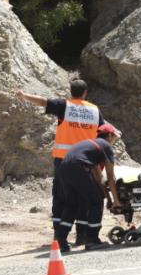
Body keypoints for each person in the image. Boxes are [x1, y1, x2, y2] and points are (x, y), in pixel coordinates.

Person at [17, 80, 105, 246]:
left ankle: (59, 236)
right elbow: (103, 131)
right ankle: (82, 236)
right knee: (84, 198)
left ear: (70, 91)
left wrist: (24, 96)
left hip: (63, 160)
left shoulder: (65, 106)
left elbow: (43, 101)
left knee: (61, 197)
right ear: (85, 92)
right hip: (87, 160)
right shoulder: (94, 110)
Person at [55, 124, 124, 252]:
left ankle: (61, 241)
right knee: (95, 202)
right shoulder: (106, 146)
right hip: (78, 168)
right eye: (114, 138)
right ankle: (92, 240)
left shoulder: (90, 146)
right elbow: (110, 176)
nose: (114, 141)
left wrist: (108, 198)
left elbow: (99, 178)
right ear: (109, 135)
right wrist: (116, 201)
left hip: (64, 168)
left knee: (72, 204)